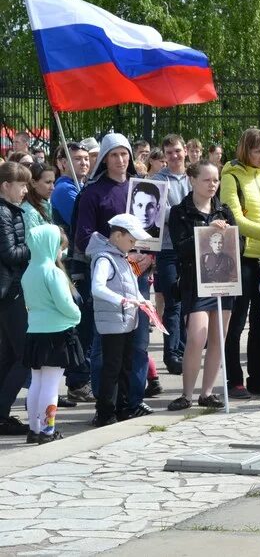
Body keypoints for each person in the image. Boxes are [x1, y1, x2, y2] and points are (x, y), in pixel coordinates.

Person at [75, 134, 155, 420]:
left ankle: (132, 401)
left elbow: (152, 232)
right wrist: (118, 255)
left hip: (139, 275)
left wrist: (147, 257)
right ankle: (105, 405)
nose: (121, 160)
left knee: (138, 344)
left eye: (125, 154)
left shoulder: (142, 188)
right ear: (105, 158)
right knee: (106, 348)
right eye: (114, 155)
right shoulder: (93, 193)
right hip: (109, 277)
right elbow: (83, 238)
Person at [166, 161, 238, 411]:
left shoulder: (224, 211)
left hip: (223, 281)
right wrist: (207, 232)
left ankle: (207, 393)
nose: (213, 185)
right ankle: (186, 393)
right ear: (192, 180)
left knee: (219, 336)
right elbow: (181, 249)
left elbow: (236, 244)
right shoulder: (179, 212)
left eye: (216, 180)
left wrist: (228, 234)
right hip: (195, 282)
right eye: (207, 180)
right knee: (197, 336)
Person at [220, 128, 260, 398]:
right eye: (257, 150)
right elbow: (233, 217)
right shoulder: (231, 177)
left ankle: (259, 376)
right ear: (245, 150)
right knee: (235, 323)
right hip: (240, 257)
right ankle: (233, 379)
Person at [87, 214, 151, 427]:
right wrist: (123, 300)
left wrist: (142, 301)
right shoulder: (104, 258)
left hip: (126, 319)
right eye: (131, 240)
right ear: (117, 235)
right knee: (112, 367)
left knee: (125, 365)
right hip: (113, 321)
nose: (133, 245)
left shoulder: (122, 258)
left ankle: (122, 407)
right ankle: (105, 412)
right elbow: (97, 288)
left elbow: (132, 287)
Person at [22, 225, 81, 443]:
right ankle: (48, 430)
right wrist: (77, 315)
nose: (61, 252)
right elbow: (64, 303)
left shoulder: (29, 271)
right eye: (59, 247)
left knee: (36, 382)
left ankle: (35, 428)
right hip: (56, 333)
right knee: (51, 384)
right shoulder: (53, 272)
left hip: (34, 332)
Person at [150, 135, 191, 375]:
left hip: (192, 248)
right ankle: (172, 353)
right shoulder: (157, 181)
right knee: (172, 303)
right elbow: (155, 213)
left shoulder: (193, 177)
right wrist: (183, 212)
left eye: (177, 151)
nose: (174, 156)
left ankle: (186, 350)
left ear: (185, 150)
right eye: (169, 153)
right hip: (167, 249)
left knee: (190, 303)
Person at [0, 162, 32, 435]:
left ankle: (2, 413)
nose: (25, 190)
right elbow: (9, 254)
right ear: (5, 186)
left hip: (11, 289)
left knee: (10, 355)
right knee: (25, 353)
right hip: (9, 291)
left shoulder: (9, 211)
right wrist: (34, 244)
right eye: (21, 184)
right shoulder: (2, 213)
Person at [51, 142, 90, 233]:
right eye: (77, 159)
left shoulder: (83, 185)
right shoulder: (64, 189)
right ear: (64, 163)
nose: (84, 163)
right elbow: (84, 221)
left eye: (86, 159)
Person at [21, 163, 56, 232]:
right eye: (48, 182)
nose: (53, 187)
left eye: (53, 182)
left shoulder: (45, 204)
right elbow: (32, 242)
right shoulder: (29, 212)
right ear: (33, 183)